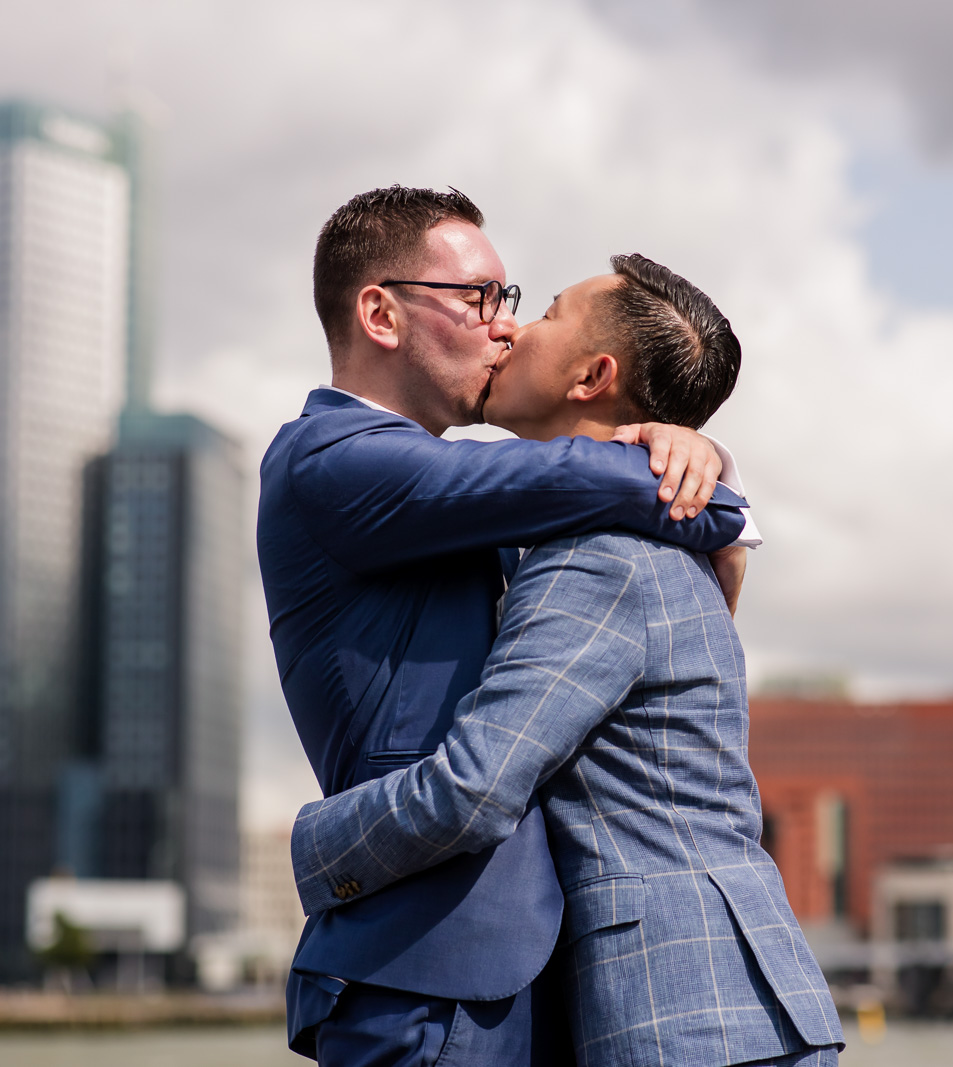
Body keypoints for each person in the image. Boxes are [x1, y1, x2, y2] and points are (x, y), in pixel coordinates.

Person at [292, 254, 845, 1065]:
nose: (512, 326)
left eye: (544, 313)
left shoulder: (599, 554)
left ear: (593, 375)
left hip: (692, 1014)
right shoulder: (641, 529)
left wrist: (315, 849)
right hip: (726, 1004)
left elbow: (476, 787)